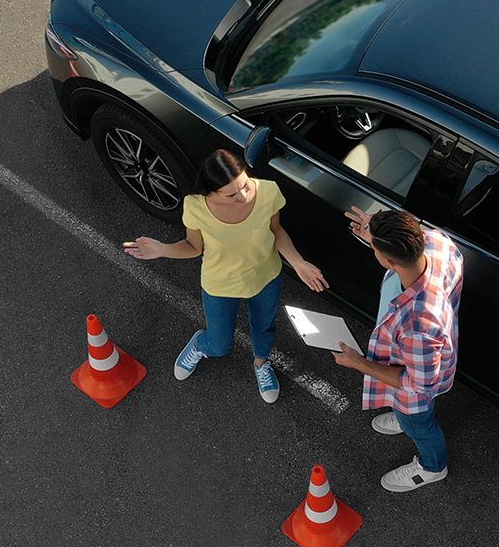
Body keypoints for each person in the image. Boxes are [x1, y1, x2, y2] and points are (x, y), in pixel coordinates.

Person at [123, 149, 327, 403]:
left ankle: (262, 364)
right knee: (219, 345)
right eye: (231, 193)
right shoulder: (196, 206)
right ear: (211, 192)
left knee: (264, 329)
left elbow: (276, 230)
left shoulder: (268, 191)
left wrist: (297, 262)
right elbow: (193, 247)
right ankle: (201, 344)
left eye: (244, 185)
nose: (243, 195)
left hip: (265, 277)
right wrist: (162, 250)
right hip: (220, 284)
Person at [331, 207, 464, 492]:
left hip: (416, 384)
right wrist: (376, 233)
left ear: (388, 260)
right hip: (427, 358)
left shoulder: (419, 325)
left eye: (375, 248)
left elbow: (418, 385)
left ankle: (432, 467)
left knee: (419, 422)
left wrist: (358, 363)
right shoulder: (436, 242)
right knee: (414, 413)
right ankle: (406, 421)